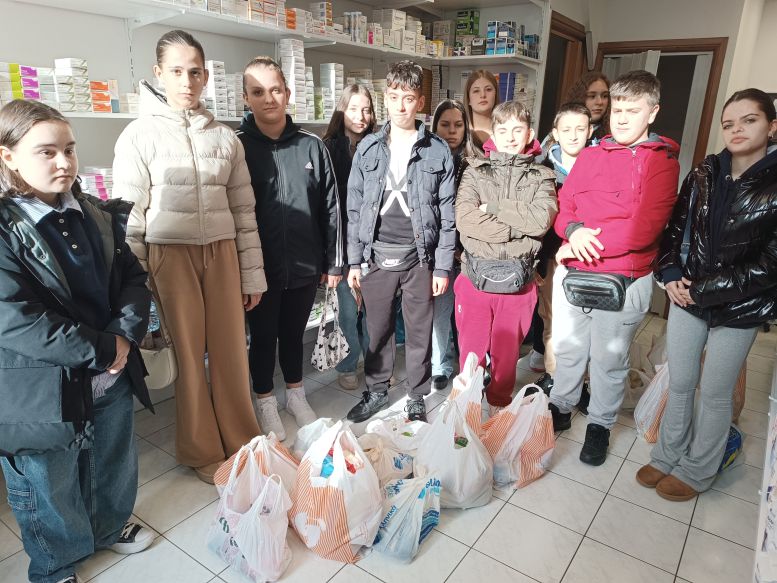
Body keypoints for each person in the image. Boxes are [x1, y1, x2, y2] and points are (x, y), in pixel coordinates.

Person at [0, 100, 154, 583]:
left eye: (69, 149)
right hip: (41, 387)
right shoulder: (6, 227)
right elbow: (15, 318)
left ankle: (107, 528)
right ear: (8, 156)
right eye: (46, 152)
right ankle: (55, 564)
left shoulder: (94, 214)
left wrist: (123, 336)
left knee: (112, 458)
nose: (64, 162)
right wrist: (104, 349)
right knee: (49, 481)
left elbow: (133, 278)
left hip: (109, 371)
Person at [112, 30, 265, 484]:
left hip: (222, 253)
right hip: (169, 256)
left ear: (206, 76)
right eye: (176, 71)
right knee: (188, 357)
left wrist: (251, 276)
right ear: (158, 73)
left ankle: (242, 438)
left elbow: (244, 211)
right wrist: (137, 284)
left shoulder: (225, 137)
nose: (187, 81)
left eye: (195, 72)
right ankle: (200, 449)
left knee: (231, 352)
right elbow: (129, 217)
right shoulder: (138, 135)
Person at [637, 88, 777, 501]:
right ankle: (667, 456)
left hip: (741, 307)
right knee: (681, 381)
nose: (737, 130)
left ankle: (698, 470)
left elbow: (770, 264)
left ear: (771, 127)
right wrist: (670, 273)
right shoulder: (705, 172)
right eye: (729, 123)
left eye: (749, 120)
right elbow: (675, 230)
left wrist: (701, 290)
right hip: (688, 298)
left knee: (715, 393)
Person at [549, 70, 680, 466]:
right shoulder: (590, 155)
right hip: (575, 272)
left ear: (652, 112)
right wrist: (573, 232)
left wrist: (581, 245)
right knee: (568, 349)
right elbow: (565, 206)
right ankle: (561, 406)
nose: (621, 119)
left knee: (609, 360)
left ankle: (600, 424)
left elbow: (644, 228)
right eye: (617, 110)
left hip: (623, 278)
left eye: (632, 111)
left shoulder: (662, 162)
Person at [345, 60, 456, 424]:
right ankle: (377, 391)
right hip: (376, 256)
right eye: (394, 97)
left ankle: (417, 395)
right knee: (377, 329)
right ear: (386, 99)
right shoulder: (368, 148)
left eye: (409, 98)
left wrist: (442, 267)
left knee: (419, 331)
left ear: (420, 102)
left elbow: (448, 214)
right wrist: (355, 261)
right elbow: (354, 208)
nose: (401, 106)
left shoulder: (437, 150)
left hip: (420, 259)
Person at [239, 56, 342, 439]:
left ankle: (295, 395)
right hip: (258, 269)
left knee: (295, 333)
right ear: (246, 98)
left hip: (303, 263)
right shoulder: (237, 147)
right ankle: (265, 400)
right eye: (258, 92)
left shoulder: (311, 146)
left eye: (275, 90)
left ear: (288, 93)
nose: (268, 99)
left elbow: (331, 207)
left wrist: (333, 262)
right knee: (263, 337)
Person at [455, 100, 557, 415]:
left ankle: (498, 405)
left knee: (507, 355)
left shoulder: (542, 176)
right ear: (494, 134)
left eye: (517, 129)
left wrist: (496, 209)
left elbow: (541, 221)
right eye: (503, 130)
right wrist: (517, 229)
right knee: (470, 353)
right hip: (475, 278)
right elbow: (466, 220)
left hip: (519, 282)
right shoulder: (475, 171)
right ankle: (466, 407)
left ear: (530, 134)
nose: (510, 137)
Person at [531, 103, 593, 402]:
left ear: (590, 131)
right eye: (566, 129)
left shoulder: (599, 165)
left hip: (589, 257)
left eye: (580, 129)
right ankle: (555, 380)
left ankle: (583, 383)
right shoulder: (543, 168)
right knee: (552, 320)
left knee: (585, 326)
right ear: (555, 133)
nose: (573, 135)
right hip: (553, 256)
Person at [323, 84, 376, 391]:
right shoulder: (328, 148)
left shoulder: (379, 146)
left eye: (366, 109)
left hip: (373, 247)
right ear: (342, 110)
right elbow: (326, 207)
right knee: (346, 311)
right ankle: (347, 363)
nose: (360, 116)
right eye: (354, 109)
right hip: (342, 247)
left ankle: (374, 362)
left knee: (374, 312)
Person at [430, 98, 476, 389]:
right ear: (434, 127)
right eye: (445, 125)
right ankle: (440, 364)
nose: (451, 131)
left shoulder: (475, 163)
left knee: (468, 314)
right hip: (438, 252)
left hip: (469, 252)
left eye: (458, 125)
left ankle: (470, 364)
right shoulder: (425, 159)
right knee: (440, 311)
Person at [564, 71, 610, 144]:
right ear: (579, 98)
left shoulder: (614, 134)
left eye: (605, 96)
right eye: (592, 96)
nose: (599, 102)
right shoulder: (561, 128)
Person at [463, 69, 501, 155]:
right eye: (476, 91)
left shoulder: (507, 133)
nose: (483, 95)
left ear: (495, 94)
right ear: (468, 99)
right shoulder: (461, 134)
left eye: (488, 89)